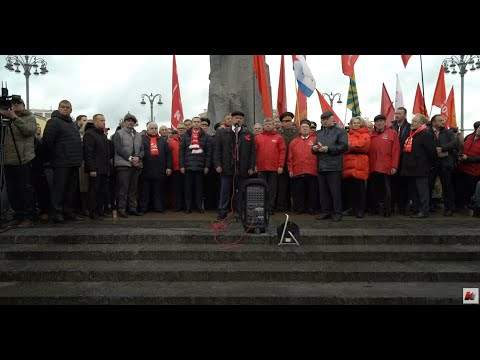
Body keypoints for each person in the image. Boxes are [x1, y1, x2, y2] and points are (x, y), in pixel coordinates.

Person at [42, 100, 84, 223]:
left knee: (71, 190)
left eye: (68, 107)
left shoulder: (72, 124)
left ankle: (69, 212)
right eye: (63, 107)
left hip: (73, 162)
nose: (65, 109)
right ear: (59, 108)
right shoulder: (53, 122)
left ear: (71, 110)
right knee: (59, 190)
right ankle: (57, 213)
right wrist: (49, 159)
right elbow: (47, 142)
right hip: (60, 162)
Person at [0, 96, 36, 227]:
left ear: (23, 106)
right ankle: (18, 215)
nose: (15, 106)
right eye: (13, 104)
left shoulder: (29, 117)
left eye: (18, 104)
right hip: (8, 160)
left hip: (24, 159)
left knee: (25, 189)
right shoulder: (4, 118)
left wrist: (14, 117)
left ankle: (29, 216)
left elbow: (29, 131)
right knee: (12, 190)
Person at [214, 110, 255, 220]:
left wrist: (251, 167)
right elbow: (217, 150)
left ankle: (241, 212)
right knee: (225, 191)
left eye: (241, 118)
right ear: (231, 119)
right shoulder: (222, 133)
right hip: (226, 167)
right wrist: (217, 164)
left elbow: (252, 152)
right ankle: (222, 211)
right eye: (236, 118)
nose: (238, 120)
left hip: (242, 168)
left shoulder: (248, 134)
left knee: (241, 191)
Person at [312, 111, 348, 221]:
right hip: (321, 165)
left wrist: (329, 149)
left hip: (334, 166)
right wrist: (313, 149)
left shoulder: (340, 132)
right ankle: (325, 211)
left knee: (335, 191)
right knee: (323, 191)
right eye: (323, 119)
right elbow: (314, 146)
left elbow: (343, 147)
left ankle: (337, 212)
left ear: (333, 119)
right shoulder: (318, 133)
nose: (324, 121)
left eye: (327, 119)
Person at [113, 113, 144, 218]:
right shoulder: (119, 133)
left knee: (133, 189)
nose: (130, 122)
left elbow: (142, 150)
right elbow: (118, 148)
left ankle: (132, 209)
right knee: (123, 189)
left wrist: (138, 158)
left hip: (136, 165)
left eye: (132, 121)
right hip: (123, 165)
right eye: (128, 121)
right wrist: (131, 158)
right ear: (124, 122)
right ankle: (121, 209)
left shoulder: (139, 135)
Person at [83, 114, 111, 220]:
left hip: (104, 169)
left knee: (102, 192)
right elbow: (88, 153)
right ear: (95, 122)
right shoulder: (90, 134)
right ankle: (93, 212)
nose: (104, 122)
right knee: (94, 191)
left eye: (104, 120)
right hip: (95, 170)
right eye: (101, 120)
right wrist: (92, 169)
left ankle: (100, 211)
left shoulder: (102, 135)